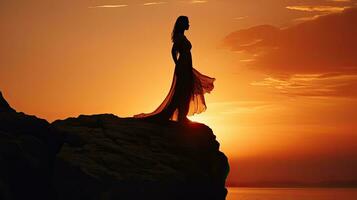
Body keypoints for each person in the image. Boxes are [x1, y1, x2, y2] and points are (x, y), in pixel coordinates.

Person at [134, 16, 215, 123]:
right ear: (182, 24)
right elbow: (173, 51)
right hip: (183, 66)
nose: (189, 24)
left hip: (186, 65)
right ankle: (180, 116)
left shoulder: (182, 36)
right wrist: (178, 64)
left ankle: (182, 115)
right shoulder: (179, 37)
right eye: (187, 22)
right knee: (183, 91)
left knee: (185, 90)